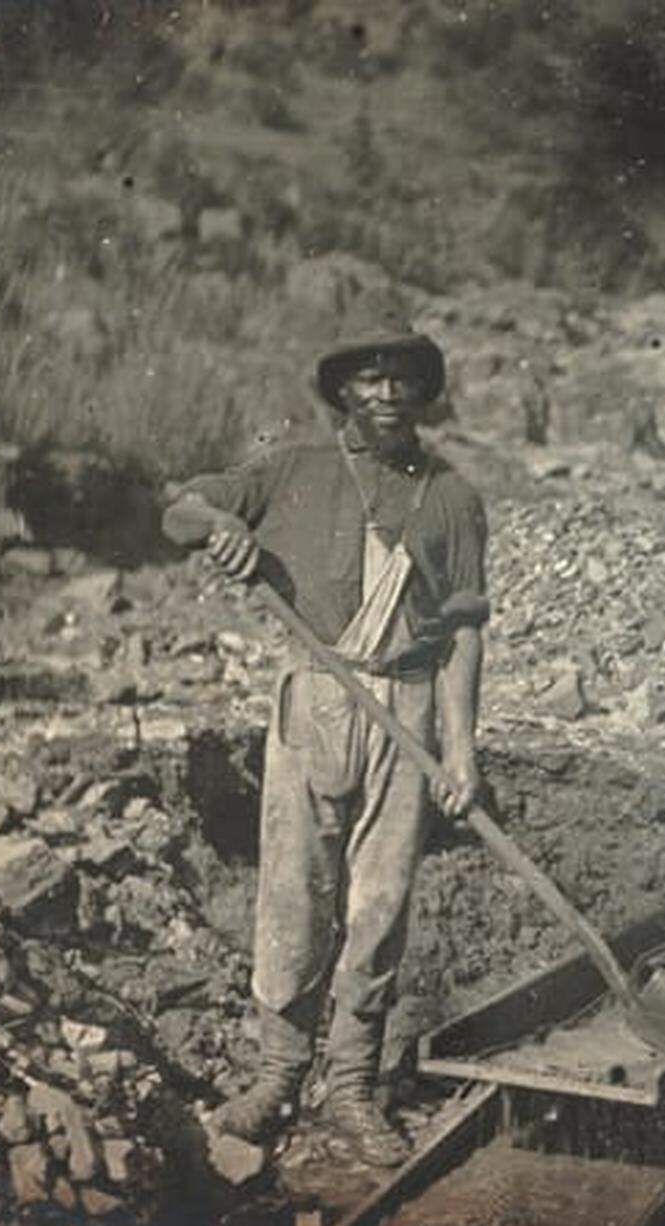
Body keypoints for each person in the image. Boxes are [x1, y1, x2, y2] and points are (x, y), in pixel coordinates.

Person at [161, 291, 488, 1167]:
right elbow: (181, 508)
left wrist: (460, 750)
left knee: (378, 907)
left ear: (424, 393)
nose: (386, 393)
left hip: (407, 711)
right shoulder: (292, 469)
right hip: (313, 698)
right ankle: (276, 1074)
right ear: (344, 390)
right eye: (369, 377)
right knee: (293, 892)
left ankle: (351, 1086)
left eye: (403, 379)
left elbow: (463, 630)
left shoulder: (451, 496)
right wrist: (223, 526)